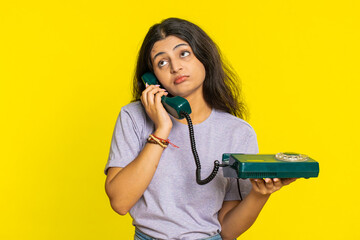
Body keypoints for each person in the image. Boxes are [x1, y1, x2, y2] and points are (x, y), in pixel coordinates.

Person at [104, 18, 296, 240]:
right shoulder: (133, 117)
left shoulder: (237, 132)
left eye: (183, 53)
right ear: (152, 79)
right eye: (162, 63)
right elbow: (120, 202)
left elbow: (227, 229)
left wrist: (260, 195)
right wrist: (162, 129)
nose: (175, 67)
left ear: (203, 56)